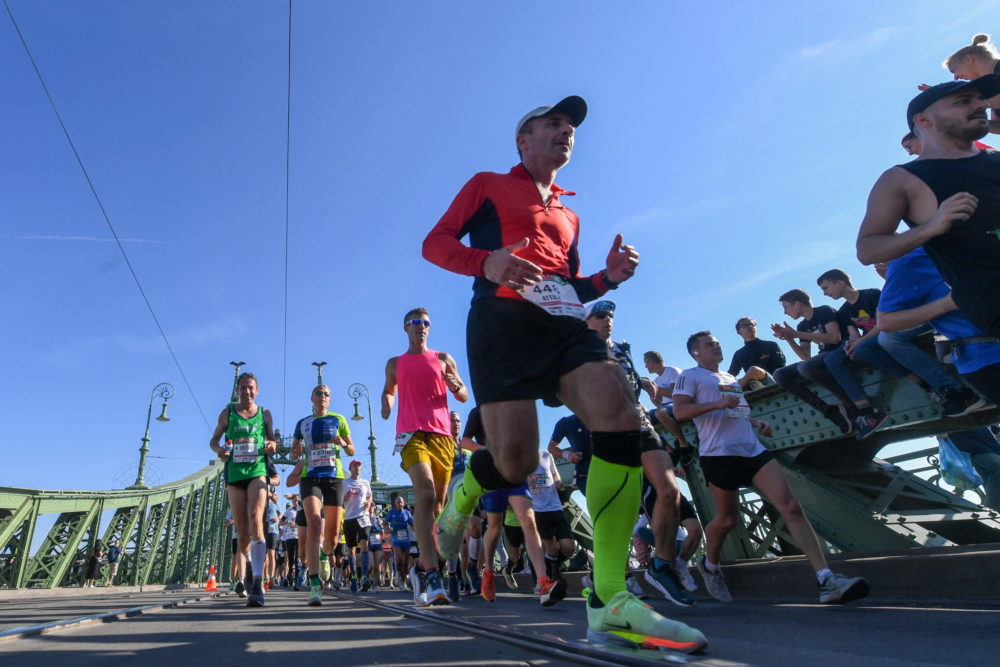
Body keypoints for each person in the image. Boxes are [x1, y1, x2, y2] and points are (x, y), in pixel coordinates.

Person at [424, 95, 706, 653]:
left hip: (563, 327)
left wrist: (609, 278)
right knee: (516, 463)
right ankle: (463, 500)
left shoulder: (570, 215)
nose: (565, 131)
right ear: (522, 141)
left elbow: (571, 287)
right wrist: (487, 262)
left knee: (619, 415)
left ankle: (609, 599)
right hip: (501, 325)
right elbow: (435, 243)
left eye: (570, 126)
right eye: (551, 122)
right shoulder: (486, 183)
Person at [673, 331, 870, 605]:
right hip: (719, 455)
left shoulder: (729, 378)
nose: (717, 347)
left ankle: (826, 579)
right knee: (727, 520)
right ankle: (710, 565)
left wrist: (755, 423)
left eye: (718, 343)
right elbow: (680, 412)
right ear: (696, 352)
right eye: (710, 345)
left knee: (790, 507)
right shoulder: (690, 376)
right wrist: (717, 403)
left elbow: (735, 411)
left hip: (752, 450)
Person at [856, 74, 1000, 340]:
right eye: (964, 101)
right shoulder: (902, 180)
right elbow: (867, 250)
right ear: (924, 120)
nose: (980, 105)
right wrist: (931, 227)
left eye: (981, 100)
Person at [584, 299, 693, 607]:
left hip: (642, 423)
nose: (608, 321)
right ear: (586, 322)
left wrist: (645, 386)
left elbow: (629, 383)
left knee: (669, 491)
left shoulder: (621, 348)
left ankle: (660, 565)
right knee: (621, 511)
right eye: (600, 316)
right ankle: (607, 582)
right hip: (610, 430)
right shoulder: (580, 352)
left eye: (610, 316)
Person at [381, 307, 469, 606]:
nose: (422, 326)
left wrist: (457, 386)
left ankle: (421, 568)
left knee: (440, 508)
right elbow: (389, 391)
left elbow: (463, 394)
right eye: (416, 322)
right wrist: (386, 404)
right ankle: (432, 574)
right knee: (426, 495)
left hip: (442, 436)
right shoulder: (395, 363)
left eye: (426, 323)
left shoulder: (443, 358)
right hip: (410, 433)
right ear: (406, 327)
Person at [464, 406, 567, 606]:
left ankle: (543, 581)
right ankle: (488, 572)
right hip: (492, 473)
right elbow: (465, 441)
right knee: (494, 527)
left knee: (529, 521)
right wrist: (491, 451)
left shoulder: (514, 407)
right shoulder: (479, 411)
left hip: (515, 473)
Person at [876, 246, 1000, 406]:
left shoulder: (909, 261)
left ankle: (955, 390)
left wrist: (947, 303)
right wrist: (948, 303)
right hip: (984, 354)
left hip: (984, 354)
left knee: (887, 339)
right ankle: (954, 389)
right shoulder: (910, 262)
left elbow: (886, 322)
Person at [771, 289, 880, 436]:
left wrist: (796, 334)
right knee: (779, 374)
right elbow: (805, 356)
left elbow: (834, 338)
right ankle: (831, 412)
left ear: (797, 304)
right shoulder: (802, 326)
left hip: (840, 351)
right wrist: (789, 338)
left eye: (786, 307)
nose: (785, 312)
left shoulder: (824, 311)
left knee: (805, 367)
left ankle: (851, 406)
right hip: (821, 357)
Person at [209, 372, 277, 607]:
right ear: (238, 390)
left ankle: (257, 583)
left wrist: (271, 445)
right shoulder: (227, 413)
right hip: (235, 474)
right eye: (243, 388)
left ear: (257, 390)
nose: (247, 392)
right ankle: (248, 571)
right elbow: (214, 441)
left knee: (256, 519)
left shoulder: (264, 414)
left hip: (257, 471)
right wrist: (220, 451)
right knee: (243, 530)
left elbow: (273, 442)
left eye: (251, 388)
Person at [290, 384, 355, 606]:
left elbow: (352, 450)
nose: (323, 397)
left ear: (330, 399)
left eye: (327, 394)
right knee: (314, 523)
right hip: (311, 477)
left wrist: (344, 443)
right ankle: (315, 584)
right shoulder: (302, 423)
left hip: (334, 478)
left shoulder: (339, 419)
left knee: (333, 536)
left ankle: (325, 556)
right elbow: (293, 451)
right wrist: (295, 452)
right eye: (319, 393)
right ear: (312, 398)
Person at [528, 447, 575, 590]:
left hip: (555, 507)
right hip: (537, 509)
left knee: (569, 548)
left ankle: (550, 569)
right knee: (552, 547)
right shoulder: (519, 458)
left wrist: (559, 483)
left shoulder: (546, 455)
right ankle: (548, 578)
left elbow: (555, 475)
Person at [939, 34, 1000, 134]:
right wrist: (966, 119)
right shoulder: (989, 92)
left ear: (968, 59)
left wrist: (953, 99)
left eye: (954, 70)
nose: (955, 77)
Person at [641, 350, 695, 461]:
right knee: (642, 420)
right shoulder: (656, 380)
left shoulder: (672, 371)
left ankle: (684, 445)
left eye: (646, 363)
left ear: (651, 362)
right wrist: (651, 392)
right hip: (666, 406)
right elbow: (658, 404)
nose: (646, 366)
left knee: (660, 413)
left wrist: (655, 388)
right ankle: (670, 449)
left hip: (678, 402)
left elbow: (674, 394)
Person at [343, 459, 373, 593]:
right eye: (355, 466)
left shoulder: (366, 482)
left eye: (359, 466)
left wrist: (368, 503)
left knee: (365, 545)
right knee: (351, 550)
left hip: (363, 517)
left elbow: (369, 497)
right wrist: (346, 496)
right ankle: (354, 577)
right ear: (350, 468)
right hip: (349, 518)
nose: (357, 468)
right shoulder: (345, 482)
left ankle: (365, 577)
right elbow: (339, 500)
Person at [547, 413, 591, 494]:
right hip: (586, 477)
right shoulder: (566, 422)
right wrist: (568, 455)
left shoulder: (608, 415)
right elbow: (551, 447)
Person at [384, 495, 414, 590]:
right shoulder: (392, 512)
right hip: (396, 539)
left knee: (406, 562)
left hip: (406, 539)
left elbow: (413, 524)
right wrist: (387, 529)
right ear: (395, 503)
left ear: (403, 503)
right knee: (399, 558)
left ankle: (403, 582)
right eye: (398, 502)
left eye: (401, 502)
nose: (399, 504)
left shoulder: (407, 513)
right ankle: (397, 575)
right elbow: (385, 522)